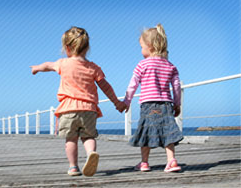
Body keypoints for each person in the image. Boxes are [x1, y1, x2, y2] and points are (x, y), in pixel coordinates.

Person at [30, 26, 125, 177]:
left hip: (68, 110)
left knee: (71, 139)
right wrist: (117, 103)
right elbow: (105, 87)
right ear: (87, 47)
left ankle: (73, 166)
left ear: (67, 48)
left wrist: (36, 68)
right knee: (88, 137)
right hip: (89, 109)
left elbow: (48, 65)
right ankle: (91, 153)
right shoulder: (93, 67)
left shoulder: (63, 63)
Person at [120, 24, 184, 173]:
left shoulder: (142, 65)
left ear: (149, 46)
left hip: (148, 104)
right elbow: (176, 87)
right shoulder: (170, 66)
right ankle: (171, 161)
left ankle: (144, 163)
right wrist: (177, 103)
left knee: (146, 132)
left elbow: (132, 85)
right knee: (168, 131)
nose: (141, 50)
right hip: (166, 104)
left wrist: (126, 102)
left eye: (142, 47)